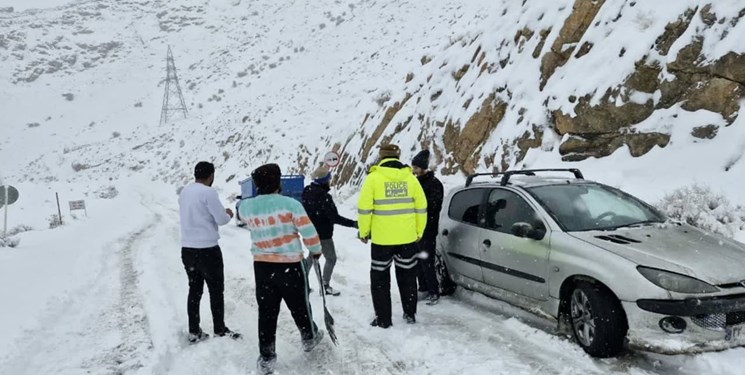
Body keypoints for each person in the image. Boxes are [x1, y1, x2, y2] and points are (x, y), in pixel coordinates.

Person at [238, 163, 324, 375]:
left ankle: (267, 357)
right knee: (299, 305)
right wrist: (316, 250)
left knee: (267, 312)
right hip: (290, 265)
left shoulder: (248, 207)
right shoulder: (290, 204)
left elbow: (239, 214)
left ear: (257, 185)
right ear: (278, 182)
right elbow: (308, 230)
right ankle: (309, 337)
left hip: (262, 267)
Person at [357, 144, 427, 328]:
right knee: (408, 276)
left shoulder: (373, 179)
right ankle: (410, 314)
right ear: (398, 156)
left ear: (381, 157)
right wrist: (419, 232)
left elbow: (365, 210)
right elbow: (421, 208)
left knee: (380, 280)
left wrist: (364, 232)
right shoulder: (411, 179)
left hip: (382, 240)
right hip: (407, 239)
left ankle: (383, 319)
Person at [178, 161, 241, 343]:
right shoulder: (208, 192)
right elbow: (221, 219)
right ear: (211, 175)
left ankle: (194, 330)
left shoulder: (184, 192)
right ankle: (219, 329)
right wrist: (228, 213)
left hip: (188, 249)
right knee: (215, 290)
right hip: (208, 250)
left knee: (194, 290)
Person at [302, 165, 358, 296]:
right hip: (323, 235)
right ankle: (325, 285)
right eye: (328, 179)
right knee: (331, 258)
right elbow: (334, 217)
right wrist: (354, 224)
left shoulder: (306, 191)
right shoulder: (324, 197)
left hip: (310, 232)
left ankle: (302, 283)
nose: (330, 182)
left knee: (312, 256)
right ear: (324, 181)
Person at [411, 150, 444, 305]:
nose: (413, 170)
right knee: (418, 261)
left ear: (422, 168)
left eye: (416, 168)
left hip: (428, 230)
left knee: (427, 262)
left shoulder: (434, 184)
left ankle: (433, 292)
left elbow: (432, 208)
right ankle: (423, 288)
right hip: (415, 230)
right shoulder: (415, 183)